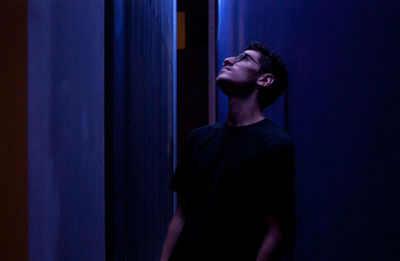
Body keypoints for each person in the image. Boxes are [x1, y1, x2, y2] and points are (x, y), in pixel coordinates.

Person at [160, 42, 295, 261]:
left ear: (264, 79)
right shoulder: (199, 139)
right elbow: (182, 214)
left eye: (244, 58)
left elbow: (276, 231)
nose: (228, 60)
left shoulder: (275, 145)